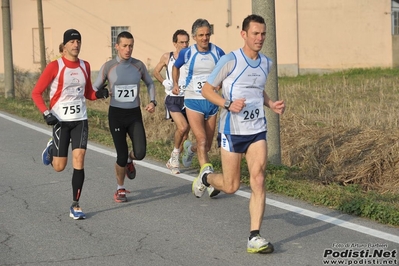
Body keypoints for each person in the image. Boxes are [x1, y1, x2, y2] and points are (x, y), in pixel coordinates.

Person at [197, 14, 285, 254]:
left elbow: (257, 89)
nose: (260, 38)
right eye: (255, 33)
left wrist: (271, 104)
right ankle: (207, 178)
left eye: (263, 33)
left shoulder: (266, 62)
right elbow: (207, 89)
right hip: (232, 130)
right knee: (231, 185)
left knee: (258, 178)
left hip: (257, 129)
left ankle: (254, 236)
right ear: (244, 34)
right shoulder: (230, 60)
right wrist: (226, 104)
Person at [31, 29, 109, 220]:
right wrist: (46, 113)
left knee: (79, 159)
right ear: (64, 45)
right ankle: (51, 149)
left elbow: (88, 92)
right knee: (59, 166)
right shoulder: (54, 66)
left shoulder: (85, 65)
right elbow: (36, 93)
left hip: (80, 119)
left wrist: (98, 95)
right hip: (60, 120)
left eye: (78, 41)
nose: (76, 45)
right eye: (72, 41)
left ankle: (76, 204)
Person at [92, 31, 156, 203]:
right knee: (120, 155)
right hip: (116, 115)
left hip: (134, 114)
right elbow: (94, 88)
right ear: (117, 46)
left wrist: (152, 101)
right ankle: (120, 188)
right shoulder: (109, 66)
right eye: (125, 46)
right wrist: (101, 93)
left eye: (131, 46)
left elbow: (150, 83)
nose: (128, 49)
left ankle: (130, 158)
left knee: (141, 152)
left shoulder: (138, 65)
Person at [172, 19, 224, 197]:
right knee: (202, 140)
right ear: (194, 37)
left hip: (212, 102)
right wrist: (175, 84)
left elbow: (226, 71)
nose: (205, 38)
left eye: (207, 34)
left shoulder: (217, 52)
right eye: (201, 35)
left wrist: (221, 85)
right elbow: (176, 67)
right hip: (193, 100)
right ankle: (206, 178)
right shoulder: (187, 53)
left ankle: (190, 149)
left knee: (206, 146)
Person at [153, 29, 190, 174]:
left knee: (185, 133)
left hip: (188, 98)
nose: (185, 45)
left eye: (187, 42)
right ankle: (175, 156)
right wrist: (164, 82)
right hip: (173, 98)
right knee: (182, 127)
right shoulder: (167, 57)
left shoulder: (192, 56)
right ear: (175, 43)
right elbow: (155, 71)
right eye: (181, 42)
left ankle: (173, 159)